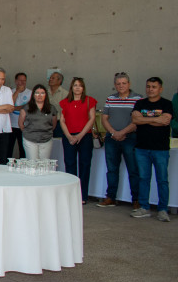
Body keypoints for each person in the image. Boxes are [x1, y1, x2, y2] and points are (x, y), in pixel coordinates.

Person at [130, 77, 173, 221]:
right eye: (148, 86)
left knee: (162, 180)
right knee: (143, 179)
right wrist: (156, 119)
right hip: (142, 148)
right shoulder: (140, 103)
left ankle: (163, 210)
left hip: (160, 149)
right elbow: (135, 120)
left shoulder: (167, 104)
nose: (150, 89)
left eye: (154, 87)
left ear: (160, 89)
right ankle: (144, 208)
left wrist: (145, 120)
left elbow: (166, 121)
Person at [98, 72, 141, 208]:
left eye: (124, 83)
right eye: (118, 84)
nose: (121, 86)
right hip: (112, 138)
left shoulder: (138, 99)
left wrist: (122, 132)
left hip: (130, 138)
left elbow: (137, 121)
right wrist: (113, 132)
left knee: (133, 169)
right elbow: (104, 118)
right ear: (115, 85)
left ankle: (136, 200)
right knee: (111, 169)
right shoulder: (111, 98)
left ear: (129, 84)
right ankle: (111, 197)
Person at [58, 77, 97, 205]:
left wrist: (80, 135)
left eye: (80, 85)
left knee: (84, 165)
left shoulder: (89, 101)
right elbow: (62, 120)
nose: (77, 87)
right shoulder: (65, 102)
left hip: (84, 136)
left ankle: (82, 195)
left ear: (83, 88)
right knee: (70, 164)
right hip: (69, 136)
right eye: (75, 85)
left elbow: (91, 119)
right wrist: (69, 136)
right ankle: (71, 194)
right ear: (71, 87)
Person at [9, 73, 31, 158]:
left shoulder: (30, 93)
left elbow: (27, 108)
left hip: (24, 125)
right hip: (11, 125)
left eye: (24, 80)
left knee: (23, 149)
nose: (22, 82)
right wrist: (17, 91)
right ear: (15, 81)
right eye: (20, 80)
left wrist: (13, 108)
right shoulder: (10, 91)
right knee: (9, 148)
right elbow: (10, 104)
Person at [47, 71, 67, 138]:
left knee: (58, 145)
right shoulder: (45, 93)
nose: (50, 79)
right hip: (46, 123)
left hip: (59, 124)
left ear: (59, 81)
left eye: (53, 78)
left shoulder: (65, 94)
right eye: (50, 78)